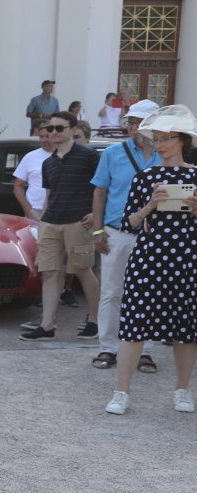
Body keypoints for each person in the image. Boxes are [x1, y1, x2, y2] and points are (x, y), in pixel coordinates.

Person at [104, 104, 197, 416]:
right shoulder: (145, 177)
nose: (159, 144)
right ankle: (121, 392)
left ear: (182, 140)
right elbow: (128, 222)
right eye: (156, 139)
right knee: (133, 325)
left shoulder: (196, 176)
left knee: (186, 328)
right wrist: (149, 206)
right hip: (148, 259)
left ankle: (182, 390)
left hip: (187, 259)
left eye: (165, 138)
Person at [88, 99, 161, 371]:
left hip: (155, 235)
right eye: (130, 122)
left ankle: (145, 350)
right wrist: (98, 230)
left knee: (150, 291)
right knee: (111, 291)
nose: (132, 127)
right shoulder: (113, 153)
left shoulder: (166, 155)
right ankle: (107, 348)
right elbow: (100, 192)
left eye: (138, 122)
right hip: (117, 231)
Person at [21, 111, 101, 342]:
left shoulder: (89, 156)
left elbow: (101, 189)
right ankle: (47, 326)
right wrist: (42, 221)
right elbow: (49, 195)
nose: (53, 133)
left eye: (59, 128)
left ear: (73, 129)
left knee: (83, 270)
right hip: (50, 222)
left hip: (78, 222)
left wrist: (95, 215)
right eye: (50, 129)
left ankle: (95, 321)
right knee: (49, 273)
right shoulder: (48, 163)